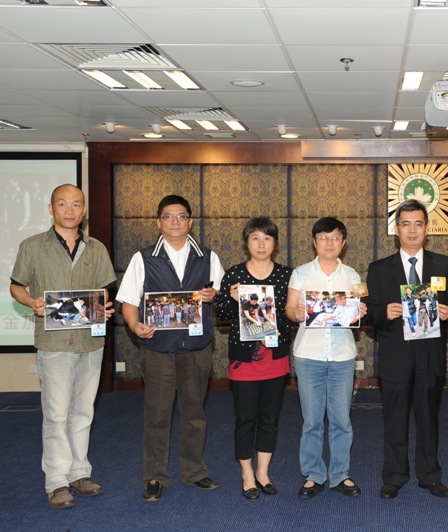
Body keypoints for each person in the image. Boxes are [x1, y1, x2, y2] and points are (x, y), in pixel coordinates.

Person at [9, 184, 116, 509]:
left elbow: (105, 289)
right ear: (51, 208)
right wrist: (32, 302)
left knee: (83, 412)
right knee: (56, 415)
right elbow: (16, 286)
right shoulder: (32, 246)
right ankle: (57, 481)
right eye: (63, 204)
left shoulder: (96, 248)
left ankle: (79, 474)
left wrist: (102, 306)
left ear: (84, 210)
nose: (70, 210)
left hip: (90, 342)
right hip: (53, 342)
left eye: (76, 204)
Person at [116, 195, 224, 502]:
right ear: (159, 222)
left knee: (195, 414)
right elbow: (128, 302)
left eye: (181, 216)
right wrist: (135, 325)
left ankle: (194, 471)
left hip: (197, 349)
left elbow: (220, 293)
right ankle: (154, 476)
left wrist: (213, 295)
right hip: (158, 349)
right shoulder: (143, 258)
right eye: (168, 216)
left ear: (190, 221)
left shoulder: (207, 256)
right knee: (157, 415)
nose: (175, 221)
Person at [363, 199, 448, 500]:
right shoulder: (379, 269)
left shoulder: (442, 264)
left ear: (427, 229)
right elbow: (368, 311)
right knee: (395, 419)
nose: (412, 230)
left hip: (430, 355)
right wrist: (384, 313)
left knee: (429, 418)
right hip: (396, 356)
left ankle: (430, 475)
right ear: (397, 229)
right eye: (406, 224)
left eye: (418, 223)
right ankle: (394, 475)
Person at [285, 217, 367, 500]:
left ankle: (340, 474)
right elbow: (290, 309)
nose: (329, 243)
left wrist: (359, 312)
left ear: (343, 243)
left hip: (342, 356)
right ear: (314, 242)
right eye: (323, 237)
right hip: (309, 355)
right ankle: (314, 474)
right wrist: (297, 313)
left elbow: (357, 309)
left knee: (341, 419)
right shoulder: (301, 273)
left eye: (334, 238)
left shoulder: (352, 275)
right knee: (312, 420)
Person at [217, 217, 292, 500]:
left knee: (270, 418)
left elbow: (291, 316)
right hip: (245, 360)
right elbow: (221, 315)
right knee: (245, 419)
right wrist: (231, 299)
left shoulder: (286, 275)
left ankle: (263, 472)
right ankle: (246, 474)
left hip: (275, 356)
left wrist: (277, 324)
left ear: (275, 243)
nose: (261, 245)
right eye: (255, 238)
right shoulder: (234, 275)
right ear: (246, 242)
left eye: (267, 238)